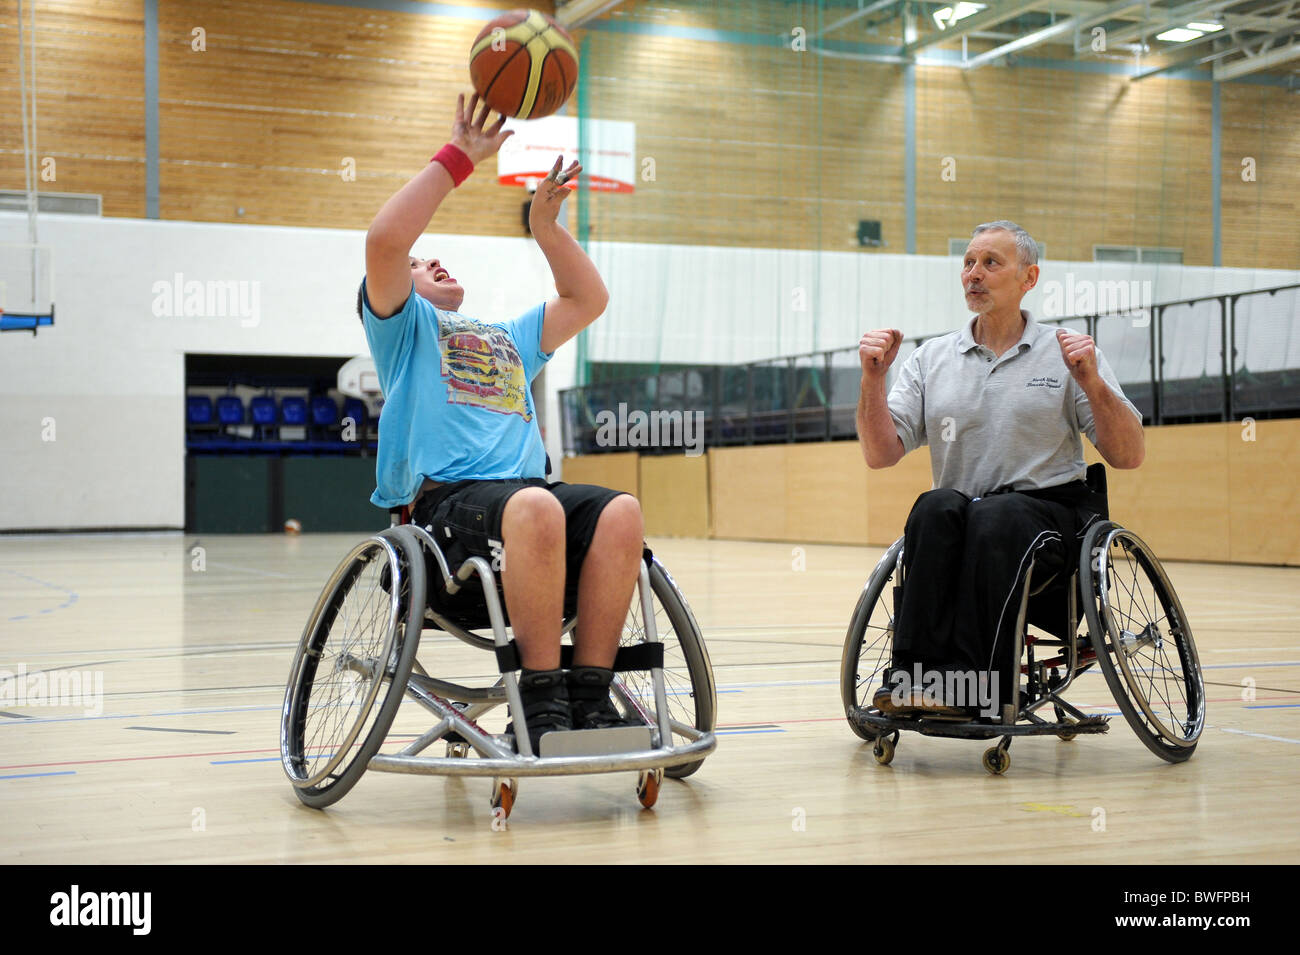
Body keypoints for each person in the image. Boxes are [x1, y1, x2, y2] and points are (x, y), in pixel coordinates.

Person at [358, 93, 645, 752]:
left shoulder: (507, 335)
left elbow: (588, 298)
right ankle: (539, 705)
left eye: (435, 257)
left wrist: (547, 230)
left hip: (525, 513)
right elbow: (385, 239)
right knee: (537, 505)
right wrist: (459, 158)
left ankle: (591, 697)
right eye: (418, 264)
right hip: (447, 517)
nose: (431, 261)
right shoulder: (405, 330)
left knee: (622, 511)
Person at [855, 220, 1145, 719]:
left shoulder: (1067, 353)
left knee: (997, 517)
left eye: (991, 263)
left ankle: (975, 687)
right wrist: (873, 380)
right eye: (969, 262)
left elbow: (1128, 454)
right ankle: (913, 680)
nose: (975, 274)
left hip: (1051, 513)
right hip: (969, 512)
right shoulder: (932, 358)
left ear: (1028, 278)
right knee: (933, 507)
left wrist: (1093, 384)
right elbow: (880, 453)